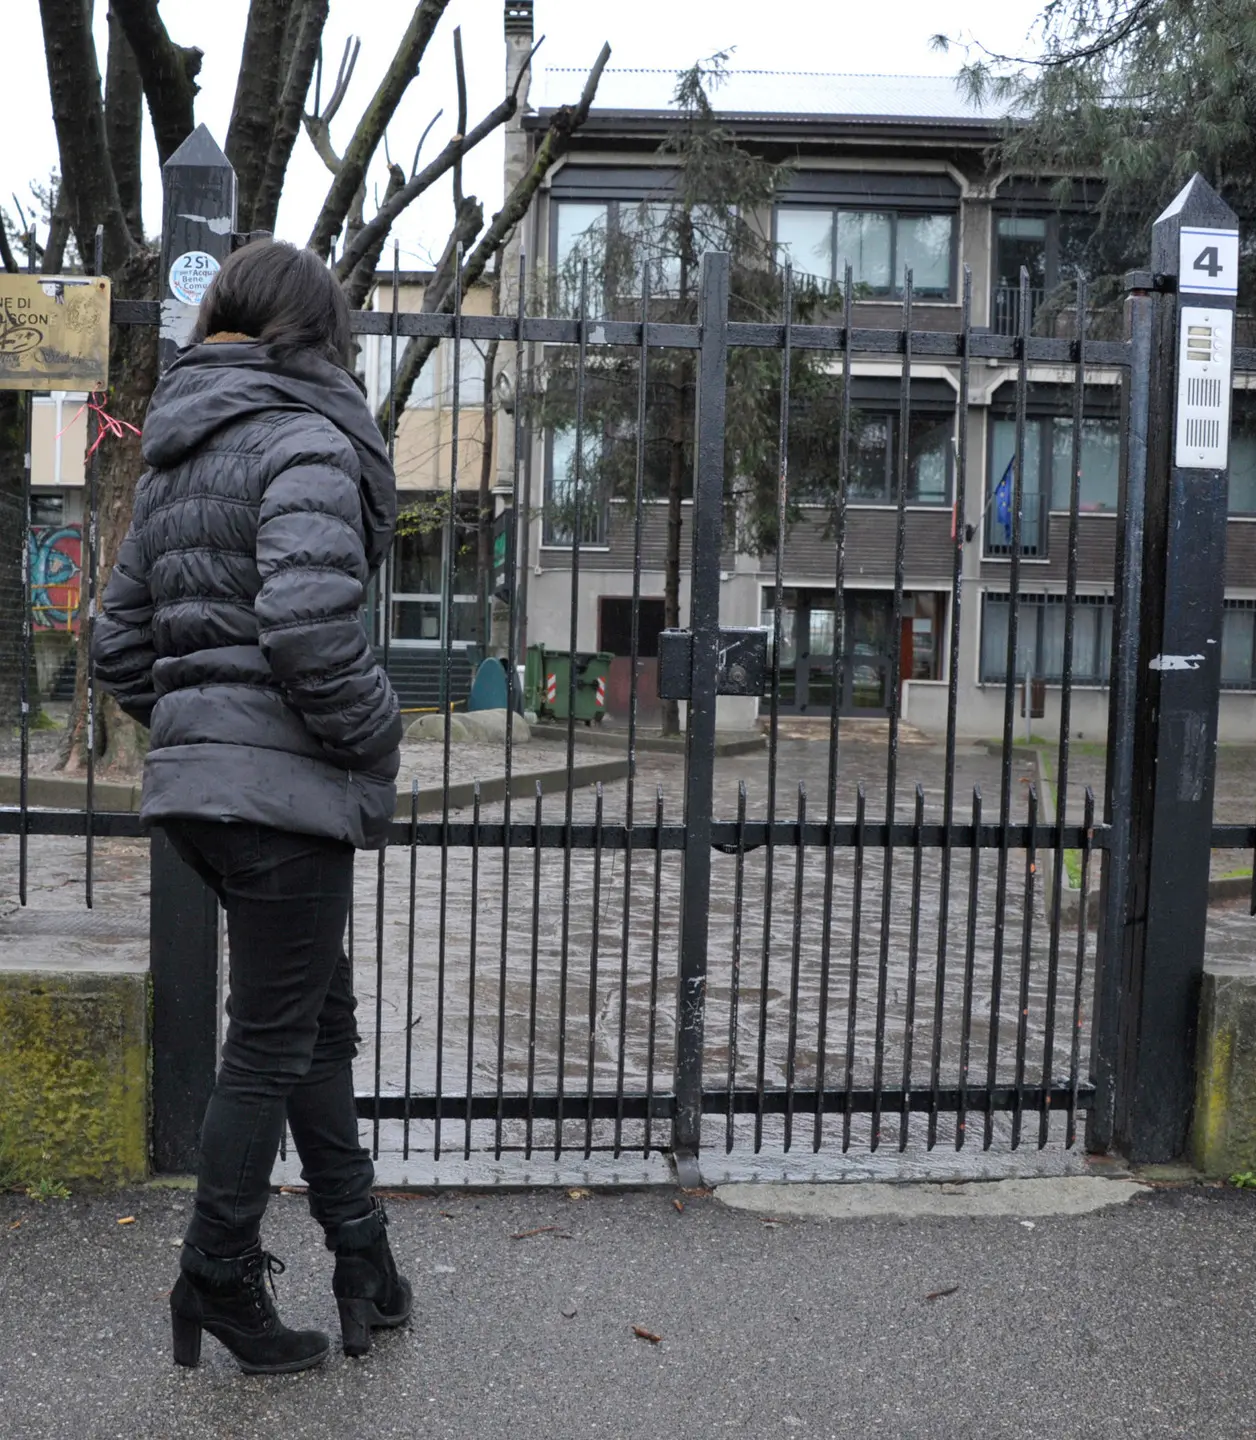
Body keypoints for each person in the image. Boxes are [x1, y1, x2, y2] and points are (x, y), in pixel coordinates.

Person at [93, 240, 410, 1374]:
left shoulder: (178, 453)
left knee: (315, 1021)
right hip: (281, 804)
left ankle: (361, 1252)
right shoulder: (308, 437)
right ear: (313, 332)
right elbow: (312, 631)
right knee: (270, 1044)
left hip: (206, 804)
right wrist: (378, 735)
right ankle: (217, 1278)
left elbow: (118, 642)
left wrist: (197, 726)